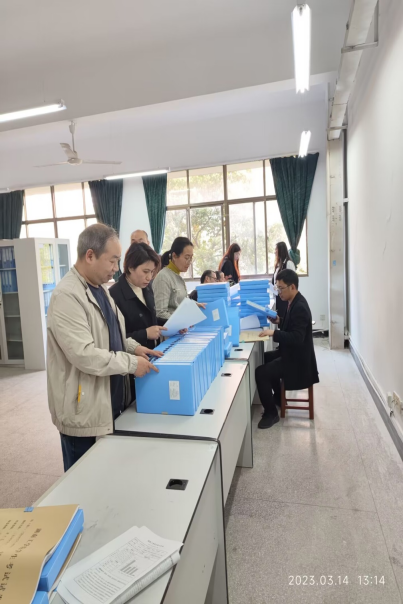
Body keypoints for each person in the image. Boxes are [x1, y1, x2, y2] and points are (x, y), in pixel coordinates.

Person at [47, 224, 161, 472]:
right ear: (90, 255)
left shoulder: (100, 289)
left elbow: (111, 333)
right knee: (82, 477)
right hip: (82, 408)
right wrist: (131, 364)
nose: (116, 268)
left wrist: (134, 347)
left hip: (107, 399)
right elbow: (84, 354)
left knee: (105, 474)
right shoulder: (67, 295)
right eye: (112, 260)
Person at [255, 269, 319, 430]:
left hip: (298, 361)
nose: (279, 292)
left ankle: (271, 413)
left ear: (292, 287)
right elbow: (292, 325)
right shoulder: (293, 301)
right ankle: (278, 398)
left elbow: (297, 338)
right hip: (291, 353)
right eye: (277, 288)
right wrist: (279, 320)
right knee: (264, 358)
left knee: (261, 372)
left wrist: (273, 333)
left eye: (281, 288)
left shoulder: (300, 306)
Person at [109, 243, 167, 349]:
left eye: (152, 272)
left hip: (155, 352)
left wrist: (171, 326)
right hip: (134, 357)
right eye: (145, 271)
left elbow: (151, 320)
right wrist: (145, 334)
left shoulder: (148, 287)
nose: (149, 277)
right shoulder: (114, 295)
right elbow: (113, 338)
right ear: (131, 267)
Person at [153, 237, 195, 321]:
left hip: (181, 325)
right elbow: (160, 313)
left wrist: (194, 304)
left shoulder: (177, 275)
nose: (189, 262)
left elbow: (179, 303)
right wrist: (181, 321)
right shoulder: (163, 277)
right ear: (174, 256)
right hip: (170, 327)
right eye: (187, 258)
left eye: (191, 258)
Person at [272, 242, 296, 320]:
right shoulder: (278, 265)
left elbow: (293, 280)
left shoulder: (288, 263)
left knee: (285, 318)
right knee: (281, 318)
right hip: (279, 297)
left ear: (281, 250)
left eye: (276, 249)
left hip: (286, 298)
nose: (275, 252)